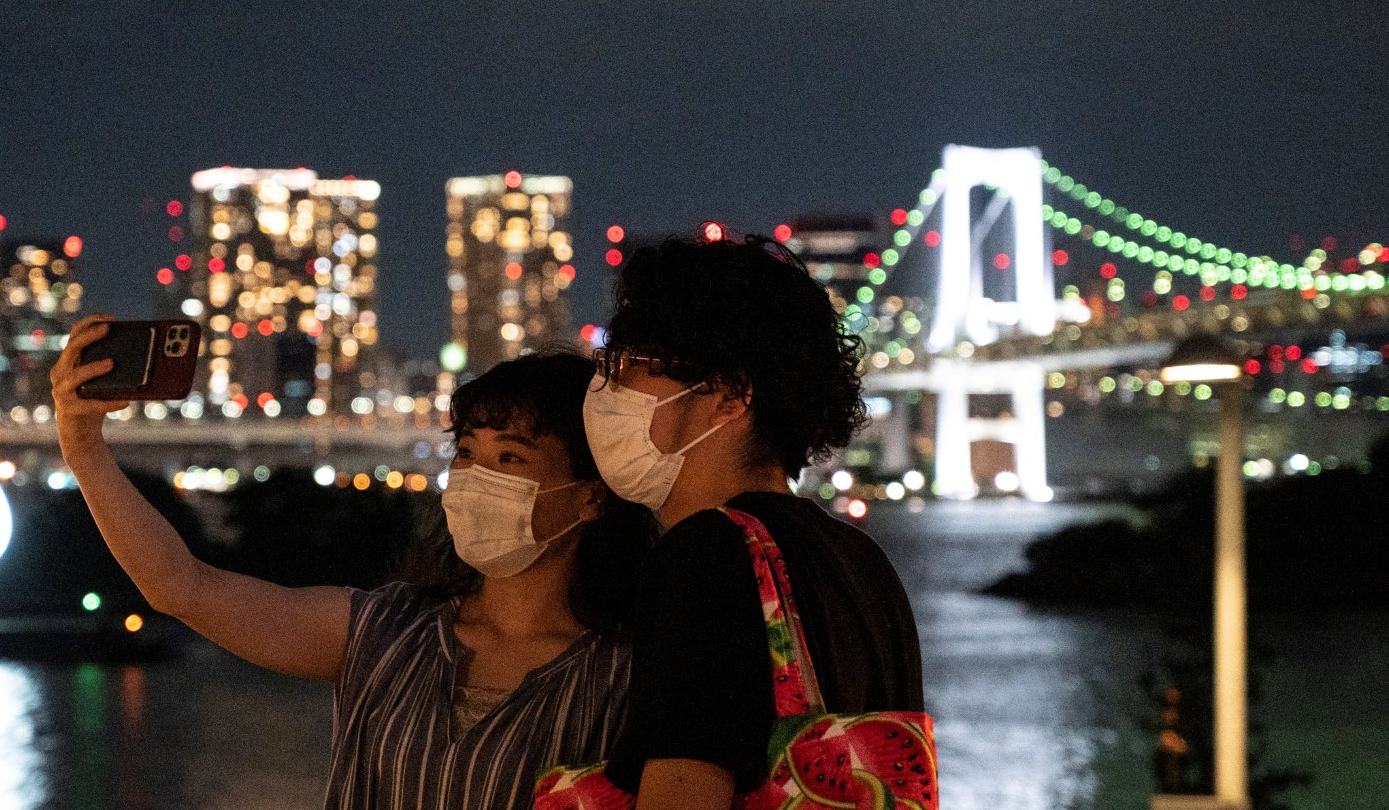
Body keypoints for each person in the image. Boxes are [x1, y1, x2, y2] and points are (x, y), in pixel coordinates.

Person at [52, 321, 654, 810]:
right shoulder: (385, 634)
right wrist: (84, 450)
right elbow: (182, 586)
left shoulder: (628, 676)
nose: (475, 477)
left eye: (510, 458)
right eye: (467, 453)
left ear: (592, 496)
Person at [582, 234, 924, 809]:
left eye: (631, 366)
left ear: (730, 395)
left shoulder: (706, 555)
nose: (606, 389)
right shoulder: (862, 560)